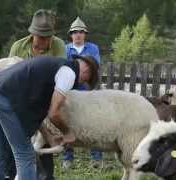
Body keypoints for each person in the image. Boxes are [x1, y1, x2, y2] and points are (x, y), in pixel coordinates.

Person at [0, 55, 99, 180]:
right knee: (25, 153)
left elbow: (36, 111)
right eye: (87, 80)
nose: (83, 83)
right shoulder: (68, 73)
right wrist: (68, 133)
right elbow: (54, 112)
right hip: (5, 98)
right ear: (87, 69)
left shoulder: (52, 65)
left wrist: (50, 137)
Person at [7, 9, 66, 180]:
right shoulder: (18, 46)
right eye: (41, 36)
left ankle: (45, 176)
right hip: (20, 101)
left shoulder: (58, 45)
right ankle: (14, 175)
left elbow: (60, 74)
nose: (45, 41)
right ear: (32, 33)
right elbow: (8, 76)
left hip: (44, 102)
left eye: (48, 37)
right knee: (18, 141)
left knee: (43, 141)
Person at [63, 17, 103, 169]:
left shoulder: (93, 48)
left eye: (81, 32)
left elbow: (94, 66)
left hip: (88, 92)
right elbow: (64, 67)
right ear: (71, 35)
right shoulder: (66, 49)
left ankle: (96, 160)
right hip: (69, 92)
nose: (78, 35)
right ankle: (67, 159)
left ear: (85, 34)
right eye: (75, 32)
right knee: (67, 124)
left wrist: (77, 69)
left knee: (93, 124)